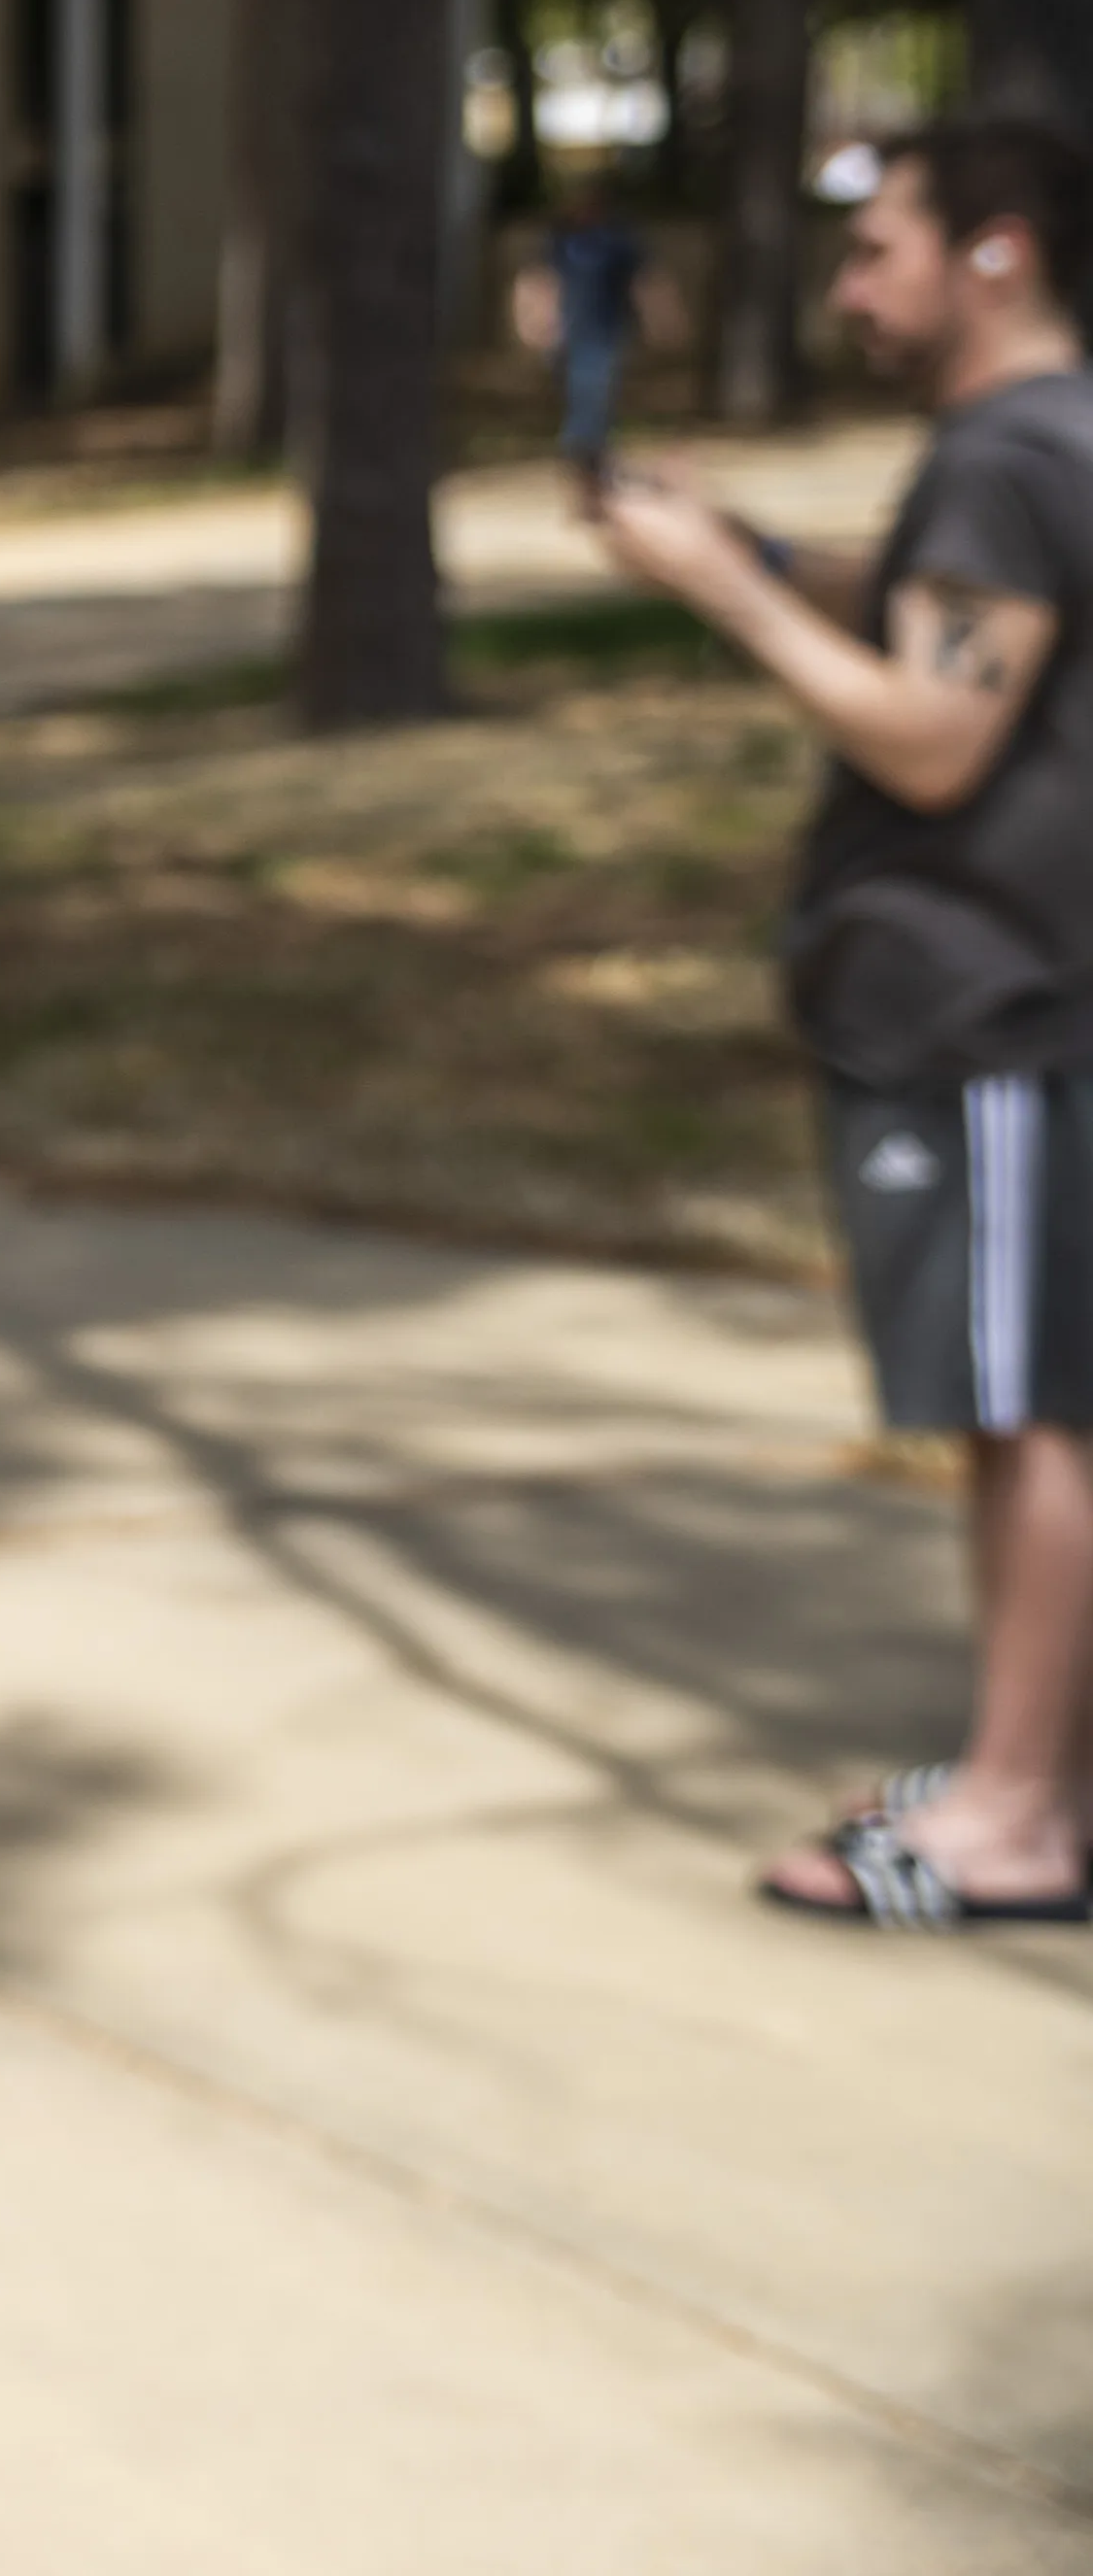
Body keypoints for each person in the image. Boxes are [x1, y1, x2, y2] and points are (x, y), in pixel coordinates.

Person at [592, 115, 1093, 1932]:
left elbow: (933, 731)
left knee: (1032, 1408)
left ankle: (1022, 1815)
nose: (850, 283)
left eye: (879, 246)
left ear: (996, 251)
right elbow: (943, 628)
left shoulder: (1002, 458)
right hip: (1013, 997)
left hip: (1001, 1000)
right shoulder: (1034, 445)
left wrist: (717, 591)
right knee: (1010, 1399)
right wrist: (761, 545)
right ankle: (1017, 1768)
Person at [544, 171, 650, 496]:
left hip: (607, 329)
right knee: (580, 394)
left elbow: (642, 283)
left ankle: (591, 459)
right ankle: (585, 460)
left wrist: (657, 317)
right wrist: (540, 320)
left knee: (596, 393)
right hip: (571, 332)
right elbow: (544, 281)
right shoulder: (564, 241)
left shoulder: (617, 242)